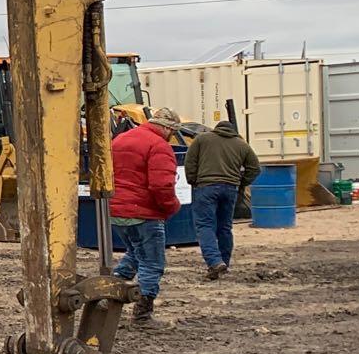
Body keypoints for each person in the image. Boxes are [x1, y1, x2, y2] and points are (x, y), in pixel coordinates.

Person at [109, 106, 184, 321]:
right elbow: (161, 186)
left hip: (116, 211)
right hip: (145, 214)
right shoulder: (159, 146)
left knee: (134, 254)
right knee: (152, 262)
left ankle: (107, 296)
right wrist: (171, 207)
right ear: (167, 129)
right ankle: (143, 311)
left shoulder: (120, 140)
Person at [184, 114, 261, 279]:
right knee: (225, 228)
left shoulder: (201, 139)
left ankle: (214, 262)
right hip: (230, 189)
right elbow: (255, 168)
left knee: (205, 226)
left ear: (216, 128)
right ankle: (223, 262)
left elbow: (189, 162)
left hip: (205, 188)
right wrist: (240, 183)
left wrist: (193, 181)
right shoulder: (242, 144)